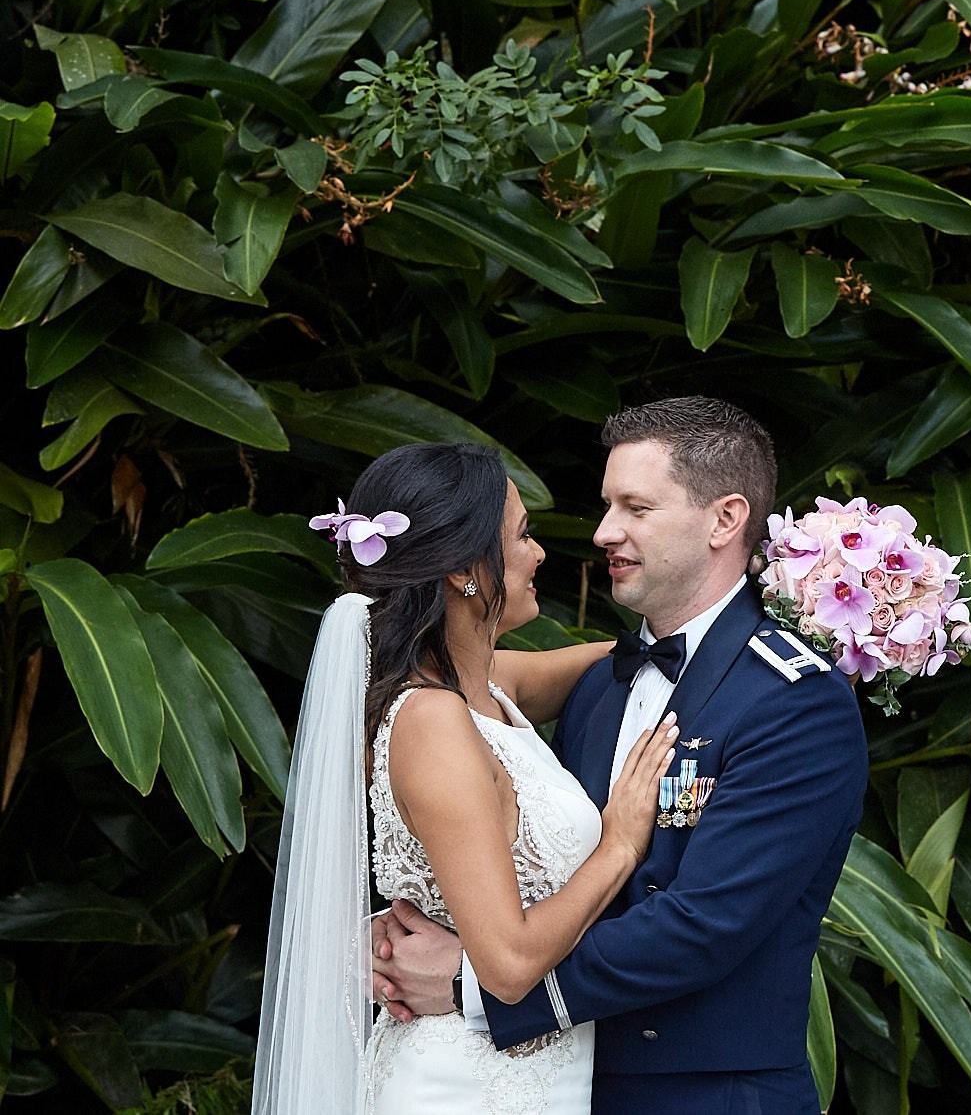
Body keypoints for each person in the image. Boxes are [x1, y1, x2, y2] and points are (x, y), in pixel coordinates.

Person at [372, 397, 869, 1115]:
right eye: (608, 505)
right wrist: (390, 934)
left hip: (703, 1095)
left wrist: (467, 985)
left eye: (635, 507)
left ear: (725, 519)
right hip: (557, 1084)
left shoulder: (794, 702)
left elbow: (700, 927)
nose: (604, 531)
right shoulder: (599, 684)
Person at [250, 441, 677, 1115]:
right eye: (522, 535)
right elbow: (507, 964)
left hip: (532, 1074)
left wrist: (741, 632)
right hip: (467, 1086)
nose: (539, 554)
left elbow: (615, 658)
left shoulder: (484, 688)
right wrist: (619, 845)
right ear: (462, 571)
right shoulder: (432, 721)